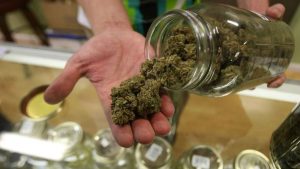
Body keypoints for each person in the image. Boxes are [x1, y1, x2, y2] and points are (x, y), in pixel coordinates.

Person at [44, 0, 287, 148]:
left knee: (177, 98)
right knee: (168, 101)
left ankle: (169, 135)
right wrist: (112, 27)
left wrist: (257, 22)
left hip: (185, 17)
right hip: (108, 17)